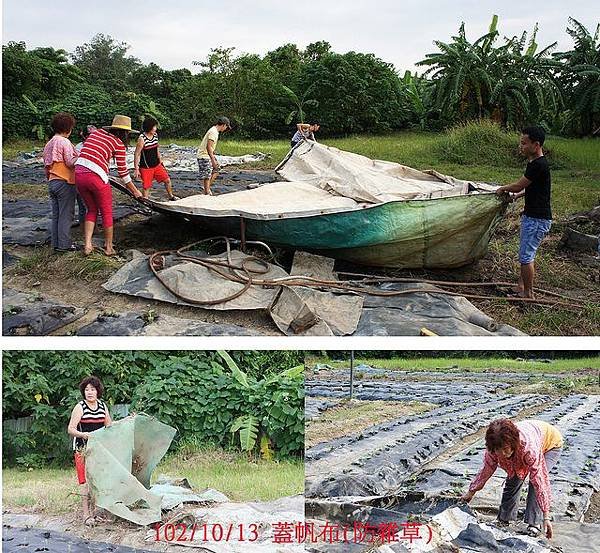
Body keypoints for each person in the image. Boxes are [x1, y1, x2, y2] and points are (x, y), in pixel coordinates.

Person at [461, 418, 563, 539]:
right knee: (513, 477)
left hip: (550, 445)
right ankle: (504, 519)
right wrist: (471, 492)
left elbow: (540, 480)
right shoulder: (493, 450)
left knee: (534, 482)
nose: (503, 454)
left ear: (513, 443)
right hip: (530, 437)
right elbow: (486, 470)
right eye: (499, 450)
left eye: (505, 449)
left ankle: (534, 523)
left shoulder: (528, 448)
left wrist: (546, 516)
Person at [495, 127, 552, 299]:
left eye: (524, 143)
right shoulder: (535, 164)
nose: (521, 146)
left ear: (536, 145)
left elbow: (519, 185)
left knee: (526, 256)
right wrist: (518, 196)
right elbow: (531, 188)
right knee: (525, 254)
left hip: (537, 219)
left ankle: (528, 294)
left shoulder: (538, 165)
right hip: (533, 216)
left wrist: (503, 189)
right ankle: (521, 286)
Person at [74, 115, 143, 256]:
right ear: (125, 132)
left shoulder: (96, 133)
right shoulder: (118, 143)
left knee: (91, 210)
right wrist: (135, 191)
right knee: (106, 212)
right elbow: (123, 172)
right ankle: (109, 247)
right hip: (96, 177)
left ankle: (87, 245)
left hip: (79, 174)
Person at [67, 375, 112, 527]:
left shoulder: (102, 406)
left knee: (98, 480)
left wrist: (126, 422)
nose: (89, 392)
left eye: (92, 389)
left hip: (98, 449)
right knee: (84, 482)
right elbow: (70, 429)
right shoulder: (80, 407)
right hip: (82, 449)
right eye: (86, 390)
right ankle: (86, 515)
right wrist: (83, 435)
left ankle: (97, 512)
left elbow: (109, 427)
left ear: (98, 391)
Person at [43, 112, 79, 252]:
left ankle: (56, 244)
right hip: (65, 182)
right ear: (69, 128)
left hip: (53, 181)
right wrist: (81, 156)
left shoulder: (49, 143)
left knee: (57, 215)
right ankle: (64, 245)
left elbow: (46, 166)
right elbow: (70, 163)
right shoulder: (64, 142)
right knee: (66, 215)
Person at [133, 116, 178, 201]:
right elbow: (137, 154)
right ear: (149, 127)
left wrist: (160, 161)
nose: (155, 128)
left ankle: (171, 196)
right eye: (154, 126)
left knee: (167, 180)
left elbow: (156, 148)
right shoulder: (142, 139)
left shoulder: (155, 135)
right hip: (146, 167)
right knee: (146, 186)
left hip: (157, 165)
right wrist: (136, 169)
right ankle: (145, 201)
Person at [196, 116, 231, 195]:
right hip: (203, 156)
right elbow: (208, 147)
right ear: (224, 125)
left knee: (216, 170)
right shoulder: (213, 132)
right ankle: (207, 192)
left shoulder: (214, 131)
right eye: (226, 127)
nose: (225, 129)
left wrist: (214, 158)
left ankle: (207, 189)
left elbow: (211, 148)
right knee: (207, 175)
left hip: (207, 155)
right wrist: (212, 160)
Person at [73, 125, 98, 227]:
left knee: (94, 205)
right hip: (82, 179)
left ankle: (92, 226)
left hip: (94, 179)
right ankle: (84, 226)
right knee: (84, 205)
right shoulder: (79, 148)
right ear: (84, 136)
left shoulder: (97, 146)